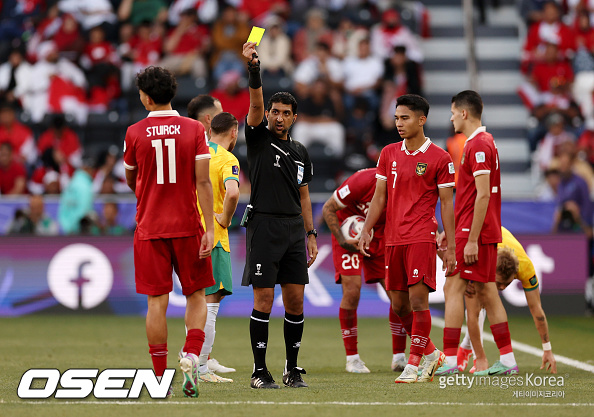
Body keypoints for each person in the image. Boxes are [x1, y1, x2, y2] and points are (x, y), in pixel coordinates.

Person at [123, 66, 215, 398]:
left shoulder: (134, 132)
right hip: (188, 226)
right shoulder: (193, 129)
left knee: (156, 303)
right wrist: (210, 228)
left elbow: (132, 180)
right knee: (196, 296)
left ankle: (160, 377)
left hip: (150, 228)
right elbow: (203, 182)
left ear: (146, 97)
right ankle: (191, 354)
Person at [359, 94, 456, 384]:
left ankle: (412, 365)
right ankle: (431, 353)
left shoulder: (440, 157)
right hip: (392, 238)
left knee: (417, 300)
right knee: (399, 305)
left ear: (421, 120)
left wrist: (450, 245)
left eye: (405, 118)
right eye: (397, 118)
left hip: (421, 236)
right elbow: (379, 197)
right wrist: (367, 228)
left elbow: (447, 205)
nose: (398, 123)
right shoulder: (388, 153)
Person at [241, 41, 318, 389]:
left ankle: (292, 368)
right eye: (275, 111)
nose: (279, 117)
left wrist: (311, 233)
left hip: (292, 231)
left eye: (286, 112)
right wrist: (254, 69)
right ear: (268, 113)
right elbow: (255, 100)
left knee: (296, 299)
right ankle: (260, 371)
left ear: (294, 117)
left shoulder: (300, 151)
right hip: (264, 226)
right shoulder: (257, 138)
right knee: (264, 299)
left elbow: (304, 194)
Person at [437, 90, 518, 377]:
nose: (450, 118)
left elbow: (482, 196)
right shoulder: (481, 142)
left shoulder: (478, 145)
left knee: (453, 289)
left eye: (452, 112)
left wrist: (469, 238)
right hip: (475, 229)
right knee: (486, 292)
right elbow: (474, 195)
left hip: (476, 232)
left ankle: (449, 360)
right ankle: (506, 359)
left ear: (464, 113)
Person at [323, 167, 408, 374]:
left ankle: (399, 357)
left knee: (398, 295)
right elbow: (328, 209)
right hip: (348, 235)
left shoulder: (404, 188)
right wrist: (343, 241)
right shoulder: (361, 181)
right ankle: (352, 359)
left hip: (379, 237)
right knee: (352, 292)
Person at [455, 227, 557, 374]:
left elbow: (537, 310)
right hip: (477, 238)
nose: (501, 287)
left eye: (506, 283)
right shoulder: (483, 258)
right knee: (476, 302)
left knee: (486, 300)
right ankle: (472, 353)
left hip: (496, 241)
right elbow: (473, 313)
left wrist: (547, 349)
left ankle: (466, 347)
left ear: (515, 275)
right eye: (498, 283)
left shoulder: (526, 267)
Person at [187, 94, 236, 376]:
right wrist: (225, 218)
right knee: (211, 305)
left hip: (190, 235)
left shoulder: (195, 153)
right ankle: (202, 366)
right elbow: (232, 192)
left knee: (195, 301)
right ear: (233, 132)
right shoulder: (227, 158)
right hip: (214, 237)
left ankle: (194, 358)